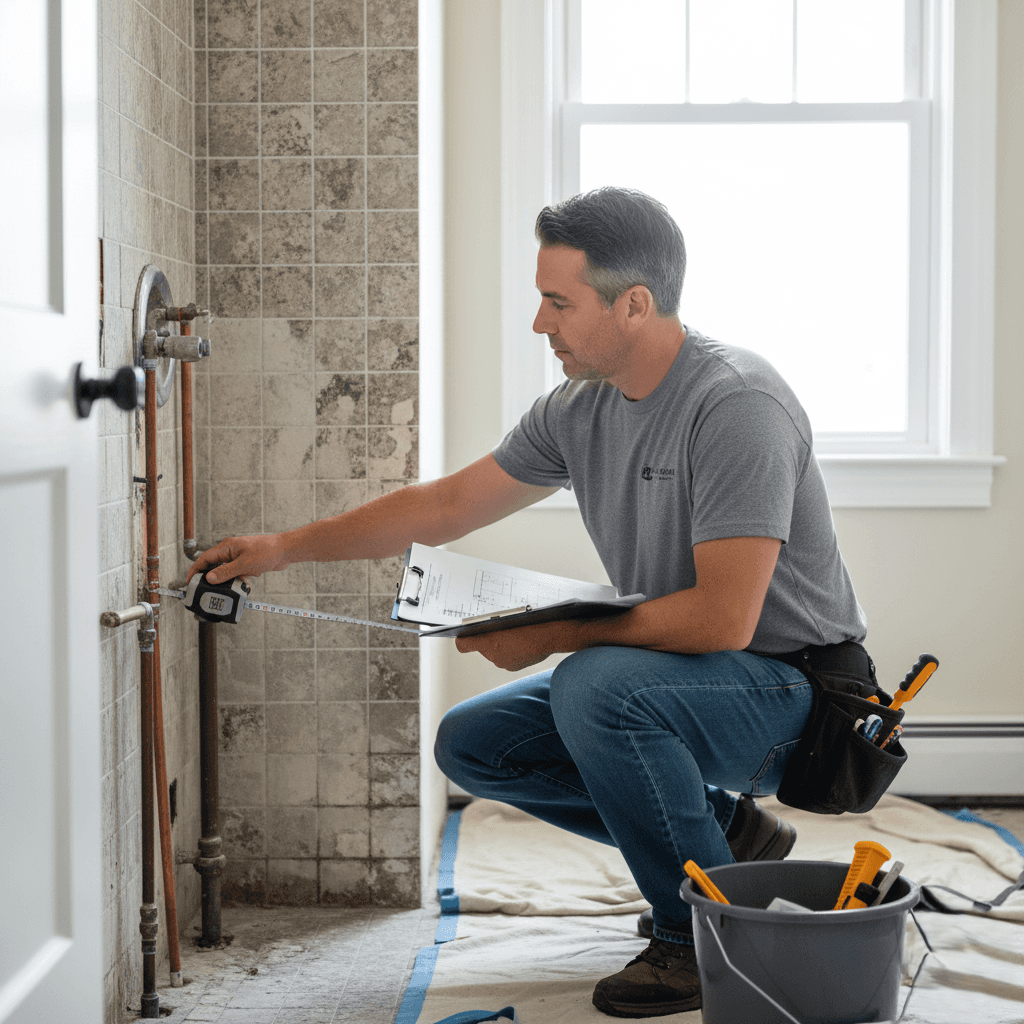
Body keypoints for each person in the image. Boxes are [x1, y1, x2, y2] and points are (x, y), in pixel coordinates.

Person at [188, 187, 873, 1018]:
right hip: (683, 676)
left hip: (796, 696)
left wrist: (553, 635)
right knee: (476, 743)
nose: (541, 324)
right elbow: (444, 508)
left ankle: (698, 935)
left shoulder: (736, 405)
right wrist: (285, 546)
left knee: (596, 685)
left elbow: (723, 620)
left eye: (558, 302)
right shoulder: (577, 408)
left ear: (635, 305)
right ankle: (725, 839)